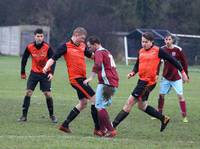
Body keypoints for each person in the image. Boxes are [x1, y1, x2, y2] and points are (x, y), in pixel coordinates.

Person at [112, 32, 189, 132]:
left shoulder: (158, 50)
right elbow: (137, 65)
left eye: (146, 42)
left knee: (129, 104)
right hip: (141, 81)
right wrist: (133, 72)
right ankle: (163, 118)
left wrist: (182, 72)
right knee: (141, 106)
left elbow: (172, 60)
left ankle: (112, 126)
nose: (143, 44)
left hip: (148, 83)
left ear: (151, 42)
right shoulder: (141, 51)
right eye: (142, 41)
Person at [43, 27, 102, 136]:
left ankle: (65, 125)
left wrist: (103, 57)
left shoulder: (82, 46)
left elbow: (93, 56)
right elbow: (53, 58)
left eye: (84, 39)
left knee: (83, 103)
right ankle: (97, 129)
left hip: (83, 79)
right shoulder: (65, 46)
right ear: (76, 34)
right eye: (82, 38)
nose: (83, 40)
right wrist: (46, 66)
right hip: (76, 79)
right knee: (95, 99)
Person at [18, 28, 57, 123]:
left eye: (41, 36)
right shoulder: (30, 47)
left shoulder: (47, 47)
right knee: (28, 92)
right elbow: (24, 59)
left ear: (43, 37)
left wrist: (51, 73)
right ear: (34, 36)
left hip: (45, 74)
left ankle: (52, 116)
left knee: (47, 94)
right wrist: (23, 72)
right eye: (38, 36)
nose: (40, 38)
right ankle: (24, 116)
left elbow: (53, 60)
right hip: (34, 73)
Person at [84, 36, 119, 137]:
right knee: (99, 106)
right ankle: (103, 130)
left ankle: (111, 130)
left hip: (107, 83)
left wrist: (90, 78)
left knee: (99, 106)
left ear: (95, 44)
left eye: (90, 47)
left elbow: (98, 65)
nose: (89, 49)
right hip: (111, 82)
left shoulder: (99, 52)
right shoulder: (106, 51)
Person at [156, 34, 189, 123]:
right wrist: (157, 74)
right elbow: (158, 63)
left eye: (169, 39)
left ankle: (184, 116)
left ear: (172, 40)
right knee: (161, 95)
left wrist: (186, 74)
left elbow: (184, 62)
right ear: (164, 40)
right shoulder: (162, 50)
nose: (167, 41)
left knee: (180, 96)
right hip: (166, 77)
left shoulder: (178, 50)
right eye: (166, 39)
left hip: (176, 77)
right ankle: (159, 114)